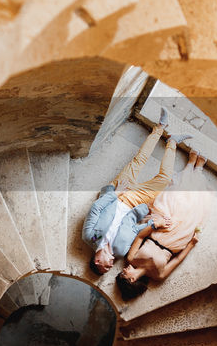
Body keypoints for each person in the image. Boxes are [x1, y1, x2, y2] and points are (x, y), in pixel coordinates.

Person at [82, 108, 191, 275]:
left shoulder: (90, 237)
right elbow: (135, 230)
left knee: (139, 160)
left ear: (97, 261)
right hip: (134, 203)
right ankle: (172, 142)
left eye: (105, 267)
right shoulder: (120, 252)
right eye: (109, 269)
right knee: (164, 178)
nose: (110, 267)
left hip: (116, 193)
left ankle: (160, 127)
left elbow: (96, 208)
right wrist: (153, 224)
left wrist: (117, 192)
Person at [116, 150, 210, 300]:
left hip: (159, 232)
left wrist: (155, 225)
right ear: (132, 279)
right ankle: (198, 170)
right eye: (124, 273)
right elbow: (177, 260)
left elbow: (140, 237)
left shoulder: (131, 258)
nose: (124, 269)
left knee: (175, 200)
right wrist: (191, 244)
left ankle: (190, 164)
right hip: (177, 240)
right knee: (192, 208)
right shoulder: (158, 276)